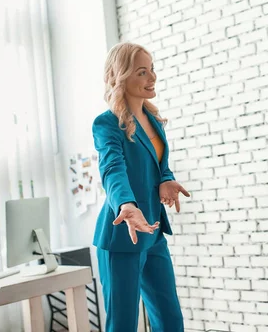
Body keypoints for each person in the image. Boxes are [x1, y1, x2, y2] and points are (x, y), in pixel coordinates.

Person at [92, 42, 190, 331]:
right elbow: (112, 169)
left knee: (170, 320)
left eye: (152, 70)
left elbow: (159, 164)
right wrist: (126, 204)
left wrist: (166, 179)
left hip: (154, 231)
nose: (153, 78)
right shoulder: (107, 124)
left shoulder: (153, 120)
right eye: (142, 72)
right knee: (123, 324)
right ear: (121, 76)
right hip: (123, 234)